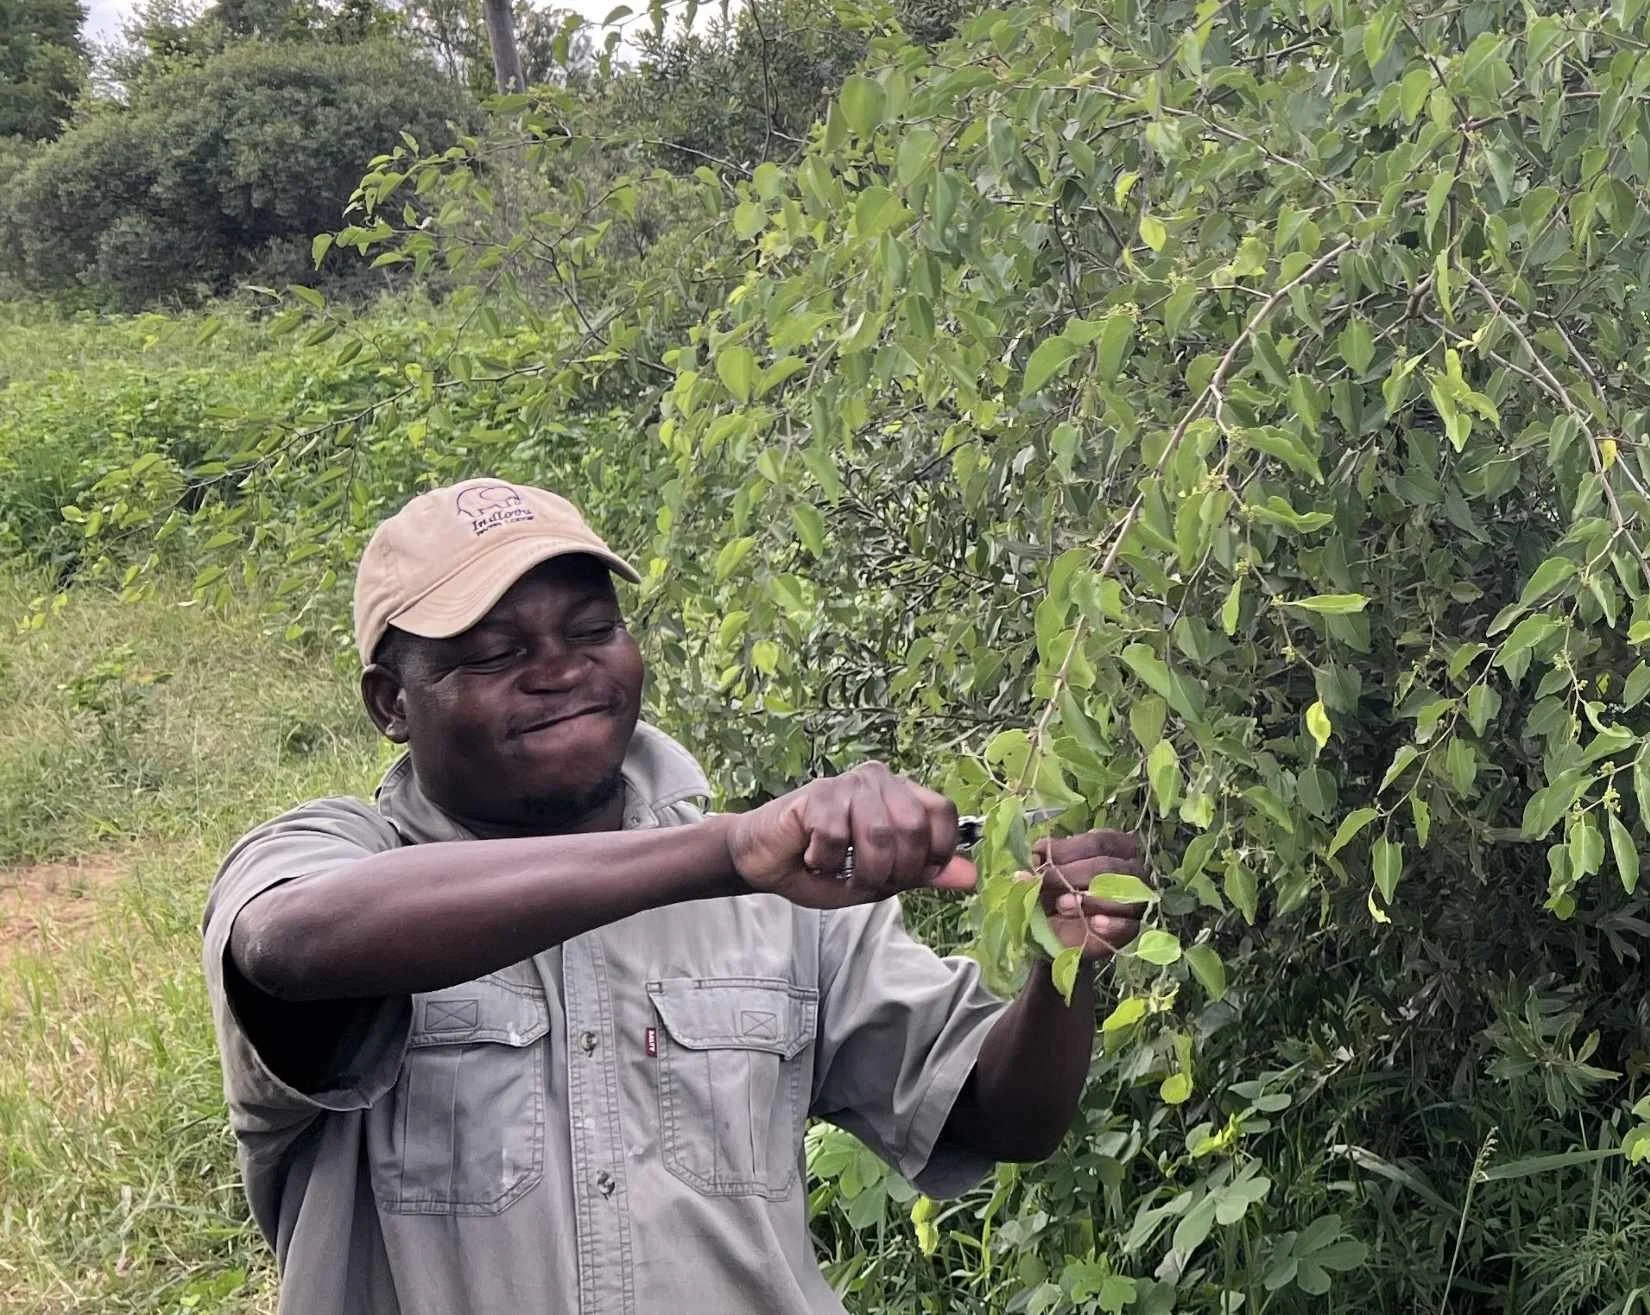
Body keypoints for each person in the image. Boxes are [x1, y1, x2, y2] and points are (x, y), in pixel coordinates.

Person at [201, 477, 1147, 1315]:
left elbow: (1004, 1117)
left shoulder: (783, 889)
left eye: (592, 630)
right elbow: (292, 941)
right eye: (494, 652)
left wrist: (1060, 963)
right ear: (389, 701)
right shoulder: (336, 857)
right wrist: (726, 851)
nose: (562, 670)